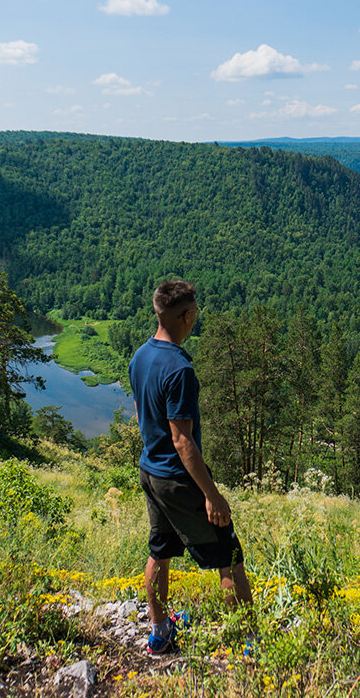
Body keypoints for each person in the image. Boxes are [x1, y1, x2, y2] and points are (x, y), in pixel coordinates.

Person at [128, 280, 252, 654]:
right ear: (187, 315)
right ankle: (251, 645)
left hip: (150, 472)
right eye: (194, 312)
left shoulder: (140, 357)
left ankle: (160, 632)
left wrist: (154, 450)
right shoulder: (180, 369)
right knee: (229, 558)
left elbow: (140, 411)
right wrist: (211, 495)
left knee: (159, 551)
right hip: (178, 480)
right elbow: (183, 441)